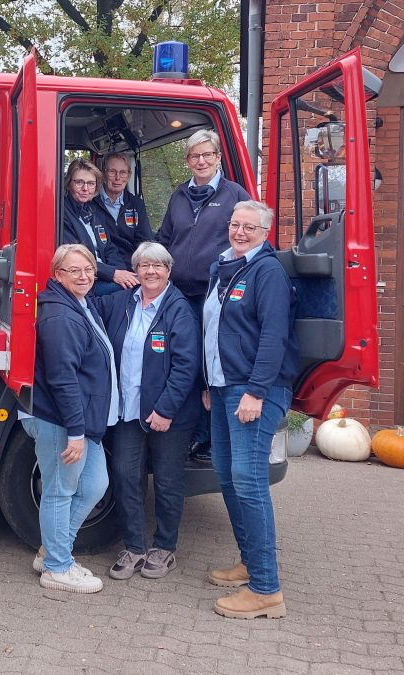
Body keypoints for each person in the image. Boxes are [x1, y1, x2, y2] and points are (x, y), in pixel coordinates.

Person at [204, 201, 297, 620]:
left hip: (254, 390)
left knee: (249, 481)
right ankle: (248, 563)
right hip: (225, 388)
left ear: (265, 231)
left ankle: (265, 589)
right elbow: (215, 329)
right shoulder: (224, 266)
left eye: (249, 226)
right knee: (227, 475)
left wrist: (257, 391)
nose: (239, 232)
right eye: (235, 224)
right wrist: (211, 384)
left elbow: (274, 336)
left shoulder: (268, 271)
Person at [92, 242, 200, 581]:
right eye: (143, 266)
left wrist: (166, 409)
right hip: (128, 410)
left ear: (168, 271)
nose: (150, 272)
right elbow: (83, 304)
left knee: (167, 481)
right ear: (135, 271)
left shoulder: (179, 310)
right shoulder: (123, 301)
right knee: (125, 476)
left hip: (169, 415)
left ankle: (165, 548)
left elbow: (186, 366)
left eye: (157, 266)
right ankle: (135, 546)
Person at [23, 244, 118, 594]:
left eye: (89, 269)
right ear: (57, 275)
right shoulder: (60, 317)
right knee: (60, 491)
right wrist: (75, 432)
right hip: (62, 421)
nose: (84, 276)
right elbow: (63, 379)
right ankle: (57, 568)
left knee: (94, 485)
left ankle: (52, 549)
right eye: (74, 270)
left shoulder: (80, 302)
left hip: (81, 419)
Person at [157, 130, 251, 463]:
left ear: (217, 158)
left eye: (207, 155)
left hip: (215, 294)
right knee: (182, 361)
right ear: (187, 161)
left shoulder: (234, 195)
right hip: (179, 293)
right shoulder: (179, 196)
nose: (201, 161)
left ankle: (207, 439)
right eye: (195, 156)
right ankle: (183, 432)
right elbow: (164, 239)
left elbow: (247, 241)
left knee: (211, 366)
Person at [61, 158, 138, 296]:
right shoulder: (62, 214)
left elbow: (109, 248)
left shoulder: (92, 211)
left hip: (103, 275)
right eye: (79, 182)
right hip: (84, 281)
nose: (85, 189)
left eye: (91, 184)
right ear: (68, 184)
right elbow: (77, 258)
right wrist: (113, 274)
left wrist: (121, 272)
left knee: (143, 283)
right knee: (135, 291)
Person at [91, 153, 152, 267]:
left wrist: (141, 267)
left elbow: (145, 241)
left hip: (132, 266)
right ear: (104, 174)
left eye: (123, 172)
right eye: (112, 172)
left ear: (129, 176)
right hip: (104, 267)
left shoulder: (136, 204)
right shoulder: (90, 203)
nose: (118, 178)